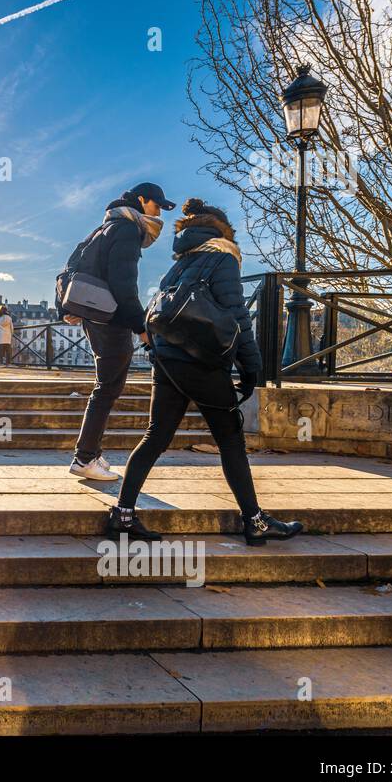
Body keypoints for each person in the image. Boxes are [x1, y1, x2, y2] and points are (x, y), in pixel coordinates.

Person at [109, 198, 303, 547]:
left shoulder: (182, 262)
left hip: (167, 360)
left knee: (155, 436)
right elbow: (237, 316)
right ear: (223, 230)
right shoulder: (223, 257)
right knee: (230, 440)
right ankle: (255, 521)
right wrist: (252, 366)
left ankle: (122, 513)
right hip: (201, 362)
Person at [68, 182, 174, 483]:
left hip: (95, 314)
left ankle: (89, 452)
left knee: (105, 386)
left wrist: (68, 306)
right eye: (157, 205)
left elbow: (72, 265)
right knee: (108, 388)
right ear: (142, 201)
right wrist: (140, 326)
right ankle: (85, 457)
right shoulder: (127, 229)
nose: (159, 214)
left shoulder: (104, 227)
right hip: (111, 317)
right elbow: (124, 284)